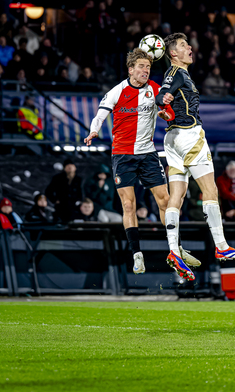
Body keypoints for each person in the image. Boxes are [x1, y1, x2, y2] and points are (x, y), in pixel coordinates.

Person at [84, 48, 199, 277]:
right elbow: (100, 115)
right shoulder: (117, 91)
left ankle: (175, 250)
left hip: (147, 154)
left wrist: (166, 115)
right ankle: (137, 254)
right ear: (131, 69)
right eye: (141, 67)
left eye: (148, 67)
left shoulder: (155, 89)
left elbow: (168, 113)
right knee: (129, 205)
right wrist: (93, 131)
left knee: (165, 201)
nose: (145, 70)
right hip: (122, 155)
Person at [156, 32, 235, 272]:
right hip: (189, 136)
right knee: (210, 190)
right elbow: (162, 94)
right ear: (173, 53)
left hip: (172, 139)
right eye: (184, 46)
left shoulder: (178, 74)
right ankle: (221, 245)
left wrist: (165, 104)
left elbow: (166, 100)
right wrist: (162, 99)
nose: (190, 48)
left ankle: (174, 251)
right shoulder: (176, 72)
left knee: (177, 196)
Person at [45, 159, 84, 224]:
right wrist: (55, 200)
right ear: (64, 168)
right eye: (67, 166)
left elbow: (82, 192)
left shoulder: (79, 180)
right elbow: (48, 191)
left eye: (71, 165)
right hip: (61, 207)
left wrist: (80, 201)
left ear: (75, 167)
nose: (69, 167)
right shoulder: (57, 178)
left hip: (75, 208)